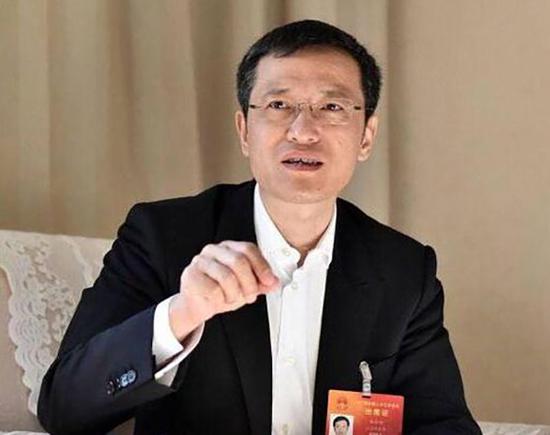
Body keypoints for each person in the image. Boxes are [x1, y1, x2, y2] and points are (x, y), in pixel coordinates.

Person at [38, 19, 481, 435]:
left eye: (331, 106)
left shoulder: (404, 270)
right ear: (244, 130)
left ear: (365, 136)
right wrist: (183, 314)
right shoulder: (162, 236)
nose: (303, 131)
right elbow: (63, 408)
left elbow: (444, 425)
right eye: (278, 105)